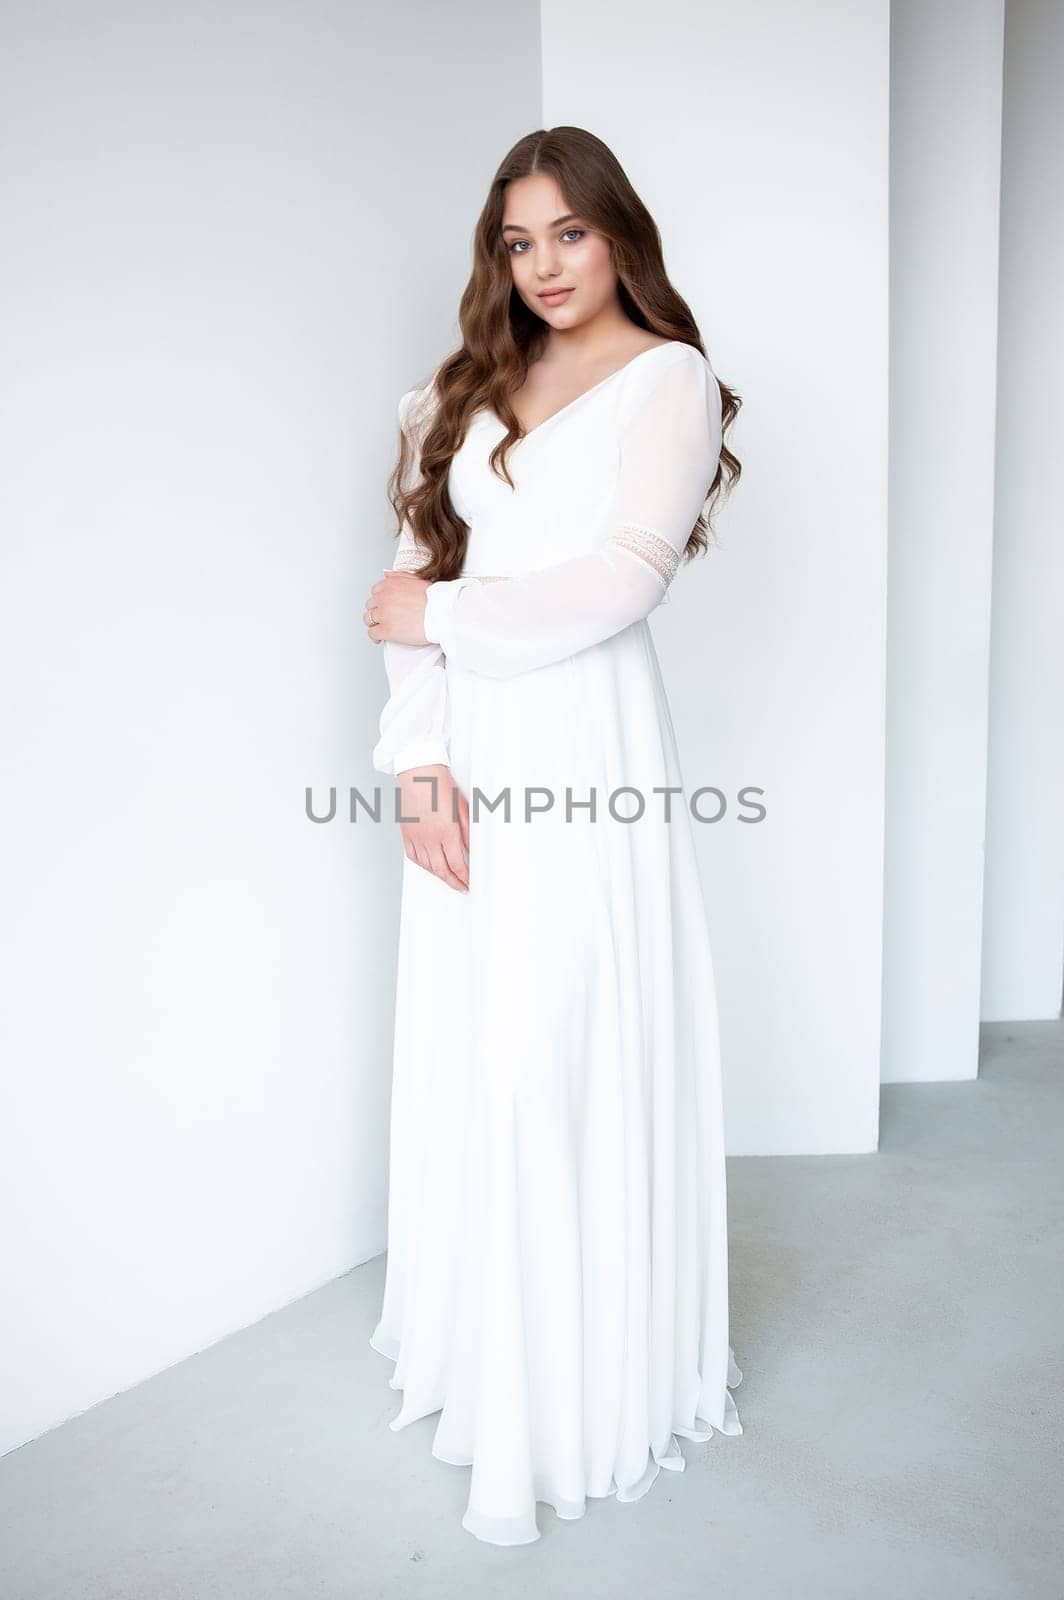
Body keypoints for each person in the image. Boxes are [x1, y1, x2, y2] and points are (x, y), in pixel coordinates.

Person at [361, 125, 744, 1548]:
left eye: (566, 234)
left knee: (558, 1044)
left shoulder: (669, 379)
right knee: (480, 1047)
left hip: (589, 747)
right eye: (517, 242)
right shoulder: (457, 391)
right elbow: (407, 580)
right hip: (473, 756)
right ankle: (489, 1361)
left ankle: (588, 1383)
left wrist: (446, 620)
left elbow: (621, 581)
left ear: (617, 232)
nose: (541, 266)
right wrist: (418, 765)